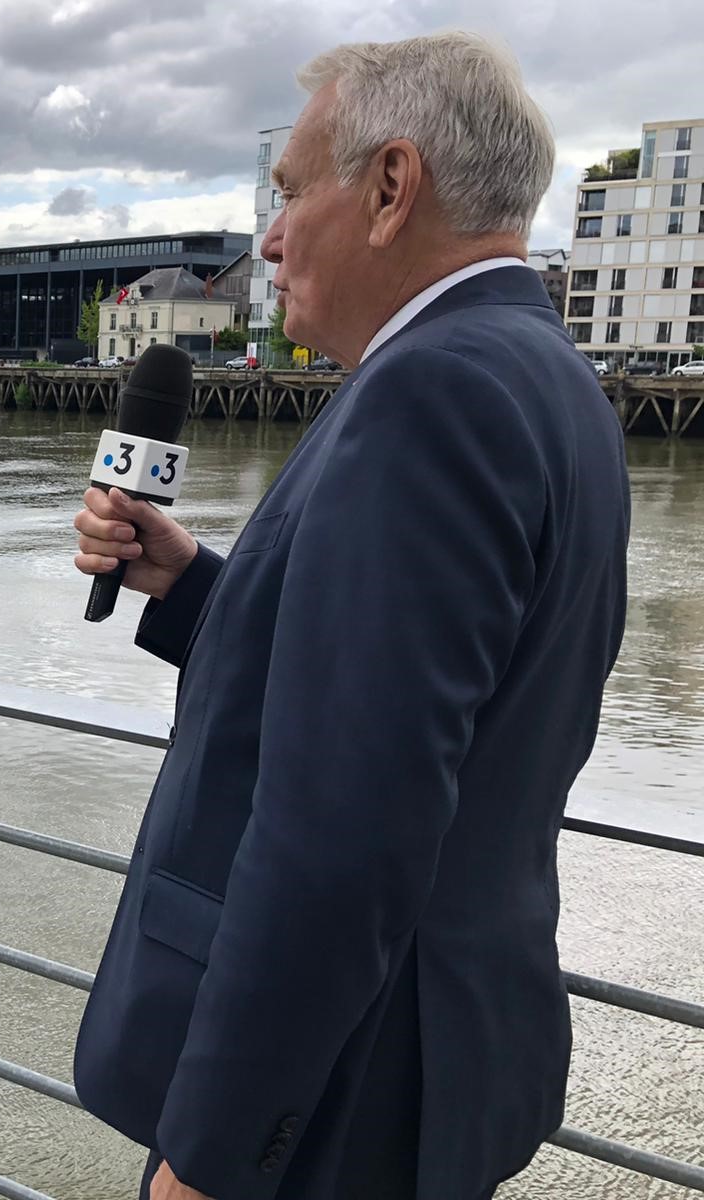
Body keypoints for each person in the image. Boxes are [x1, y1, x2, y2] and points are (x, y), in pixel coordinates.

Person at [70, 33, 629, 1200]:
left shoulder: (430, 391)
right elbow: (439, 702)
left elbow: (341, 833)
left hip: (340, 1096)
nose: (268, 240)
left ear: (388, 188)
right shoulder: (544, 374)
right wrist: (195, 586)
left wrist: (213, 1154)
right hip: (435, 1052)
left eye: (286, 196)